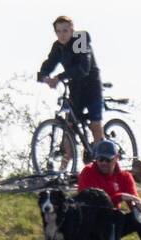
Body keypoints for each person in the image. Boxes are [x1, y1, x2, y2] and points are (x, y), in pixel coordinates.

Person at [37, 16, 104, 166]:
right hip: (76, 88)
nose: (62, 34)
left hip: (91, 86)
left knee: (95, 123)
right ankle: (63, 170)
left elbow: (83, 67)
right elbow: (49, 63)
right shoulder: (58, 46)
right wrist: (43, 76)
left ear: (72, 30)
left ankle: (104, 161)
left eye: (65, 31)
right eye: (58, 31)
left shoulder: (79, 39)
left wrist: (59, 77)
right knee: (69, 127)